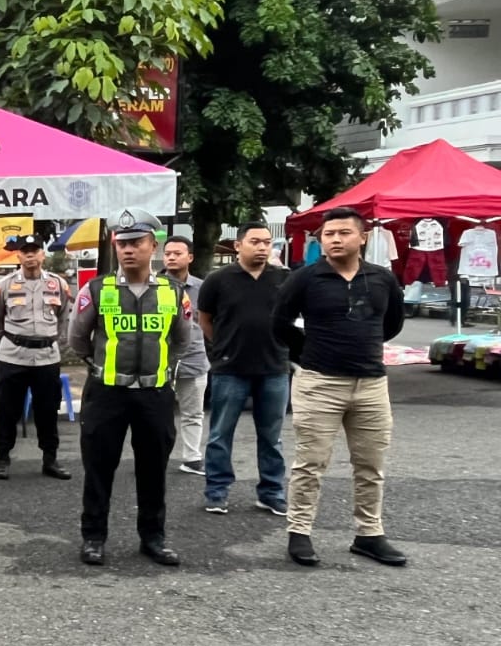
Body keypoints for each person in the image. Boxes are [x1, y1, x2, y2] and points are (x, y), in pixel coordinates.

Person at [272, 207, 407, 567]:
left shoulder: (382, 279)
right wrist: (309, 353)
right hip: (320, 383)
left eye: (343, 233)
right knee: (310, 464)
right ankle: (299, 532)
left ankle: (369, 534)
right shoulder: (305, 278)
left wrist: (364, 344)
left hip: (371, 384)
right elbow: (279, 322)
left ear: (362, 237)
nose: (334, 239)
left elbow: (392, 323)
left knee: (370, 465)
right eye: (328, 234)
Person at [67, 210, 195, 567]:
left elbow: (182, 341)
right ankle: (93, 538)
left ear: (153, 246)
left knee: (153, 470)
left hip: (154, 395)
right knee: (98, 468)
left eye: (137, 242)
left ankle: (153, 538)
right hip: (107, 393)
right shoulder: (96, 288)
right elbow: (77, 339)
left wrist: (163, 371)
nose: (128, 250)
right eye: (122, 243)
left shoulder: (173, 292)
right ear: (114, 245)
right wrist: (99, 368)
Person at [197, 222, 291, 516]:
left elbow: (294, 319)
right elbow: (205, 320)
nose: (262, 247)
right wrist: (222, 349)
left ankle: (271, 492)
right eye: (255, 241)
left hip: (275, 368)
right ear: (238, 245)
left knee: (272, 436)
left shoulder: (285, 278)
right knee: (220, 435)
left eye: (267, 242)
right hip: (230, 368)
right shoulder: (218, 279)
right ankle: (217, 491)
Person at [0, 235, 73, 481]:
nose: (30, 255)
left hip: (46, 357)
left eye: (34, 250)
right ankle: (2, 458)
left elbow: (63, 318)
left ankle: (51, 459)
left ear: (42, 255)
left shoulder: (58, 284)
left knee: (47, 410)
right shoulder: (4, 285)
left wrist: (47, 339)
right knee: (7, 410)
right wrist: (14, 342)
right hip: (13, 356)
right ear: (18, 256)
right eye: (25, 251)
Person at [161, 236, 209, 476]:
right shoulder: (154, 286)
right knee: (157, 413)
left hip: (194, 358)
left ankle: (192, 458)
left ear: (190, 257)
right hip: (159, 359)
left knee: (193, 412)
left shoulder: (202, 288)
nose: (170, 257)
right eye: (167, 253)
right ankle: (155, 455)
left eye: (177, 253)